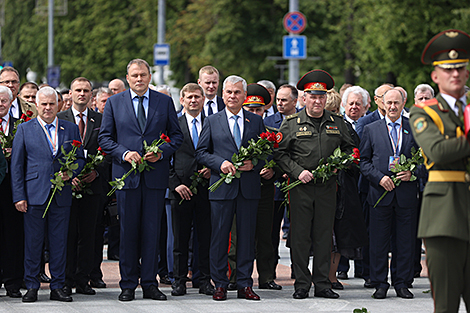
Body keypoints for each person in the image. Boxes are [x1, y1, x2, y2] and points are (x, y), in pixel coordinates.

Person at [98, 58, 183, 302]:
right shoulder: (115, 103)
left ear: (149, 77)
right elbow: (105, 138)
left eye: (143, 75)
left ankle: (149, 283)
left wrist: (161, 152)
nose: (139, 79)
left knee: (152, 232)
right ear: (128, 78)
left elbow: (176, 138)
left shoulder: (164, 101)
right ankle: (127, 284)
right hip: (127, 178)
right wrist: (124, 153)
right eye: (135, 75)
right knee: (127, 232)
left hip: (155, 178)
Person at [274, 69, 355, 299]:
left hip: (327, 187)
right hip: (301, 189)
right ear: (304, 98)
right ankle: (301, 284)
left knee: (323, 237)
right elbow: (279, 154)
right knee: (300, 237)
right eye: (312, 96)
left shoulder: (337, 122)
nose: (317, 101)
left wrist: (342, 162)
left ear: (325, 98)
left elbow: (350, 149)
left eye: (321, 96)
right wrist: (298, 172)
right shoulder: (291, 123)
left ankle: (322, 284)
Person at [409, 29, 470, 313]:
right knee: (445, 305)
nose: (455, 74)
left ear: (467, 73)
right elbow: (438, 152)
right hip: (444, 215)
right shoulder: (425, 112)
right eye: (447, 69)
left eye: (460, 68)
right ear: (436, 76)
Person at [11, 86, 85, 303]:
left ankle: (58, 286)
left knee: (59, 242)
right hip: (33, 195)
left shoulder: (70, 129)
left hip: (61, 196)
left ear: (59, 104)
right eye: (43, 104)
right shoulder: (25, 129)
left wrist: (71, 172)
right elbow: (17, 166)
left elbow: (80, 158)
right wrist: (18, 196)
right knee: (33, 243)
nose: (47, 108)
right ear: (37, 105)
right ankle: (32, 286)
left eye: (52, 104)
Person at [195, 75, 265, 301]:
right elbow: (201, 153)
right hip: (221, 189)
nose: (233, 96)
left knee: (246, 238)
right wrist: (220, 163)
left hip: (248, 189)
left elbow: (267, 153)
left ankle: (244, 283)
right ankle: (220, 284)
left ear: (245, 96)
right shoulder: (212, 120)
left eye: (237, 92)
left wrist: (254, 164)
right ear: (222, 95)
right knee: (219, 237)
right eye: (229, 92)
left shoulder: (255, 121)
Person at [360, 88, 425, 299]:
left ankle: (402, 283)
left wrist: (412, 172)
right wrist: (379, 178)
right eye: (389, 103)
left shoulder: (413, 129)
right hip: (380, 193)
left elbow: (425, 161)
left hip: (406, 194)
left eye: (396, 103)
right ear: (382, 103)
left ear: (403, 103)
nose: (392, 107)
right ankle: (380, 283)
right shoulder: (371, 129)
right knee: (378, 241)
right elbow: (363, 162)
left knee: (405, 242)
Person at [57, 77, 105, 296]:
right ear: (70, 93)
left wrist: (97, 172)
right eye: (78, 90)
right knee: (67, 235)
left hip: (92, 187)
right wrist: (70, 175)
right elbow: (55, 152)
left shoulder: (101, 120)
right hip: (66, 187)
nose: (82, 94)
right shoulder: (60, 119)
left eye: (86, 90)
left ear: (91, 95)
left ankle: (83, 279)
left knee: (88, 234)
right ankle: (66, 279)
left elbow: (108, 150)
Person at [169, 83, 214, 297]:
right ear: (182, 100)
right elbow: (164, 159)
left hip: (206, 189)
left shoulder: (212, 123)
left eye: (197, 97)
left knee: (205, 238)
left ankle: (204, 279)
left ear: (203, 99)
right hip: (180, 189)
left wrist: (212, 169)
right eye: (189, 97)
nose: (193, 101)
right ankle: (178, 280)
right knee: (180, 239)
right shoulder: (173, 125)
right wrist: (175, 184)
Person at [242, 83, 282, 291]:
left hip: (265, 188)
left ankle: (267, 277)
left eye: (259, 110)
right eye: (251, 110)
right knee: (240, 233)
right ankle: (237, 277)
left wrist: (272, 170)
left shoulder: (272, 131)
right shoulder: (240, 129)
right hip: (242, 186)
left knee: (266, 234)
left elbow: (280, 157)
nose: (255, 113)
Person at [264, 84, 299, 280]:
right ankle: (269, 272)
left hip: (298, 183)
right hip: (276, 184)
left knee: (298, 230)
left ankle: (298, 267)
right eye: (278, 99)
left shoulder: (304, 120)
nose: (279, 103)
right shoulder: (269, 121)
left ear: (295, 102)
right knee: (271, 230)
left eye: (284, 100)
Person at [0, 86, 24, 298]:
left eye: (4, 101)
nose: (0, 104)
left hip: (14, 187)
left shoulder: (21, 126)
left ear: (10, 102)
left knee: (13, 235)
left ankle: (13, 282)